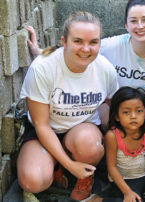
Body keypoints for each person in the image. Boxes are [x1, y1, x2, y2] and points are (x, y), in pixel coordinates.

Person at [18, 11, 119, 201]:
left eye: (93, 42)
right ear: (64, 41)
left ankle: (85, 177)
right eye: (78, 41)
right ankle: (60, 165)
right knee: (32, 181)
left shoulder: (105, 69)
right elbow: (41, 125)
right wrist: (70, 164)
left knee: (91, 144)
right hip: (46, 132)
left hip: (81, 132)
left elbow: (113, 105)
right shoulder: (43, 68)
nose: (86, 49)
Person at [26, 0, 145, 129]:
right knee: (104, 115)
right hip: (118, 107)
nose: (139, 26)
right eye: (133, 21)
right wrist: (39, 52)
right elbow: (81, 49)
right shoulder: (113, 45)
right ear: (126, 25)